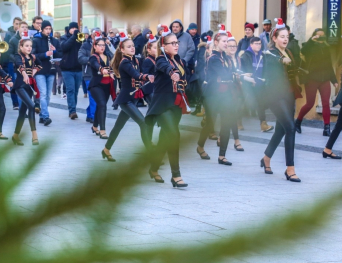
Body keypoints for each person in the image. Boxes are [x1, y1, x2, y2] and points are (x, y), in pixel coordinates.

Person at [145, 33, 189, 188]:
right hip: (163, 105)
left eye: (177, 42)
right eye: (172, 43)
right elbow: (165, 68)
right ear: (164, 46)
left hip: (176, 104)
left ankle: (154, 168)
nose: (176, 45)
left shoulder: (180, 60)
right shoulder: (160, 59)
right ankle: (176, 176)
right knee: (174, 135)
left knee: (165, 139)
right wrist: (173, 73)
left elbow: (186, 78)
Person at [102, 37, 153, 162]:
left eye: (133, 46)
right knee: (143, 123)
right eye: (129, 46)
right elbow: (136, 75)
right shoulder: (125, 62)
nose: (132, 48)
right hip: (126, 99)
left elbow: (140, 74)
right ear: (123, 50)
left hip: (133, 98)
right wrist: (147, 76)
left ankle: (106, 149)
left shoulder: (135, 59)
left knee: (118, 126)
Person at [196, 30, 242, 164]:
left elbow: (233, 72)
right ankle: (200, 146)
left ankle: (222, 156)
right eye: (224, 41)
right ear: (216, 42)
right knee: (210, 123)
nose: (226, 44)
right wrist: (235, 76)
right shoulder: (213, 58)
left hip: (226, 95)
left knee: (226, 123)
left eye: (227, 41)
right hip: (213, 95)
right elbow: (225, 74)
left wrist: (242, 75)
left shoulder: (226, 58)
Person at [261, 25, 300, 181]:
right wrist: (282, 60)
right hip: (275, 96)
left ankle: (266, 158)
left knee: (281, 130)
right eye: (282, 36)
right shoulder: (270, 53)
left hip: (289, 94)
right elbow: (273, 60)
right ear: (274, 38)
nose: (285, 39)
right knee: (290, 127)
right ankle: (290, 169)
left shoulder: (289, 51)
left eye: (287, 36)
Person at [295, 28, 335, 135]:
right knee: (310, 103)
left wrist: (334, 80)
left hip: (325, 79)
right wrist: (312, 40)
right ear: (314, 36)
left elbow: (330, 65)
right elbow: (303, 51)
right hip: (312, 79)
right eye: (318, 35)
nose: (320, 38)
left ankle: (327, 128)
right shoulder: (309, 46)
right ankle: (298, 121)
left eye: (322, 35)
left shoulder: (327, 48)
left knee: (326, 103)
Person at [9, 38, 40, 146]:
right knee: (31, 106)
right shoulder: (18, 56)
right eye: (26, 46)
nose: (29, 48)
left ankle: (15, 136)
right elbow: (19, 65)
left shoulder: (33, 57)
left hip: (29, 86)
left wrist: (33, 72)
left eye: (30, 46)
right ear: (21, 47)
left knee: (22, 112)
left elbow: (39, 65)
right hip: (20, 86)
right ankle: (34, 135)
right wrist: (25, 74)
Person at [56, 22, 85, 119]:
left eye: (75, 28)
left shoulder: (79, 37)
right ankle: (72, 111)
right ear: (69, 30)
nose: (74, 30)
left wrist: (82, 38)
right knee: (70, 90)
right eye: (72, 28)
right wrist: (73, 36)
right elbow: (64, 47)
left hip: (78, 68)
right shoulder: (64, 38)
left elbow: (84, 47)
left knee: (76, 90)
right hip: (67, 69)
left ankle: (73, 109)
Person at [32, 20, 59, 125]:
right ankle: (46, 116)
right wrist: (45, 54)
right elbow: (33, 55)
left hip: (51, 70)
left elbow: (60, 54)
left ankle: (42, 116)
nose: (48, 31)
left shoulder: (54, 41)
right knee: (43, 94)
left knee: (48, 95)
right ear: (42, 29)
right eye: (46, 29)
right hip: (40, 71)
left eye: (49, 29)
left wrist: (55, 51)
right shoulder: (36, 40)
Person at [87, 38, 114, 138]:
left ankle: (94, 127)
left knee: (100, 105)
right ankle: (103, 130)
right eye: (100, 45)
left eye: (103, 45)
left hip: (107, 85)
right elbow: (95, 64)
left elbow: (115, 60)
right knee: (102, 104)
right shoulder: (93, 57)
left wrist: (112, 73)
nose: (102, 47)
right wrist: (102, 69)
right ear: (95, 46)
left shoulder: (108, 56)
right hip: (96, 85)